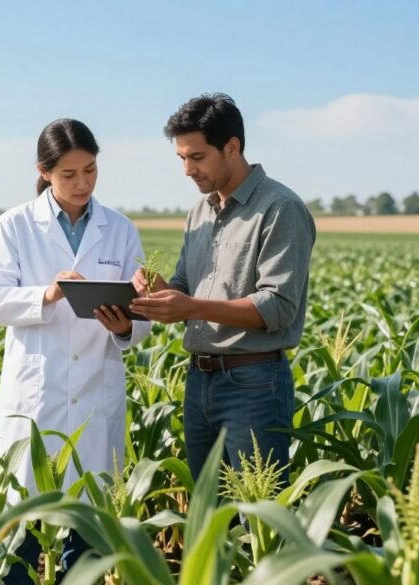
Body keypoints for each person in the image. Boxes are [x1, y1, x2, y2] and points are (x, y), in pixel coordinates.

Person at [0, 118, 151, 584]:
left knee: (86, 539)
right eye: (69, 175)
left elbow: (143, 315)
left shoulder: (120, 229)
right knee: (22, 537)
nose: (82, 184)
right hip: (37, 401)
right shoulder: (14, 226)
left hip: (96, 395)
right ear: (45, 172)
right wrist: (47, 295)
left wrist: (125, 327)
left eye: (91, 171)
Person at [130, 93, 315, 486]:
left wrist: (191, 307)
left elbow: (278, 306)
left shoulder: (280, 209)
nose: (187, 170)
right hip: (199, 381)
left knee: (260, 519)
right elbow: (184, 286)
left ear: (232, 148)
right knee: (207, 511)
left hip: (255, 384)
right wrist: (155, 289)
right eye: (181, 158)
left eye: (196, 157)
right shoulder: (200, 210)